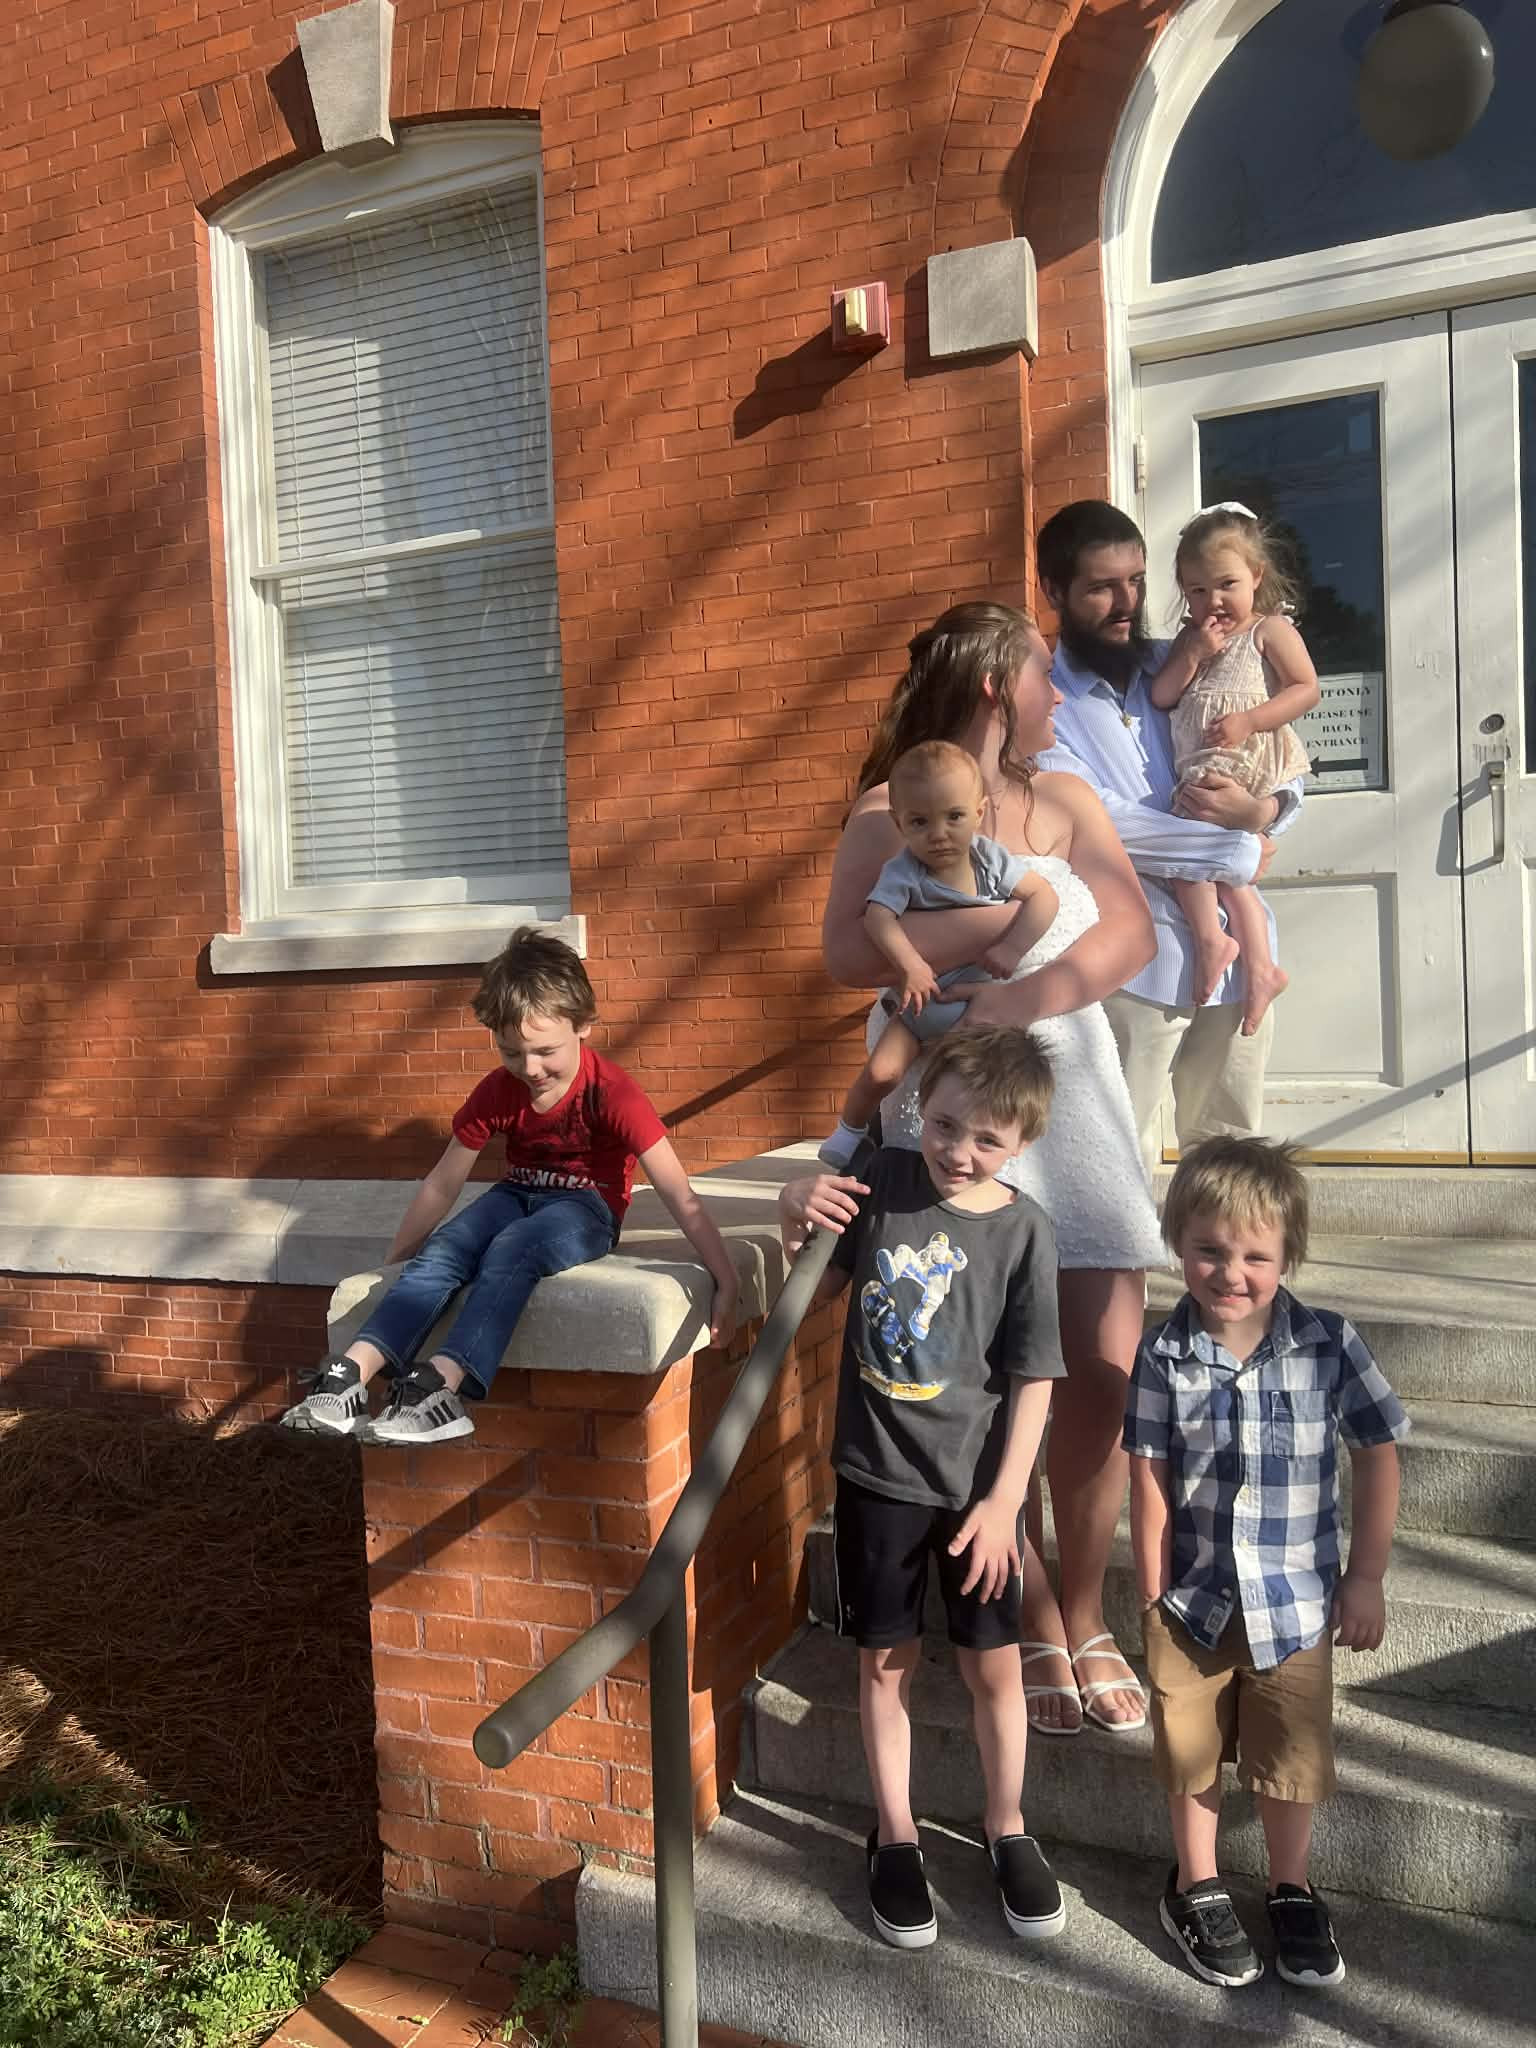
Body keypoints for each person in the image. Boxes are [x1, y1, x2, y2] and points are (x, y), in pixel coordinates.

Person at [817, 600, 1164, 1738]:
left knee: (1101, 1366)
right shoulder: (890, 809)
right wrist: (1000, 928)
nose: (1057, 693)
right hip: (953, 1104)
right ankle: (1025, 1606)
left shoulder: (1063, 797)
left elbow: (1129, 935)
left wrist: (1018, 991)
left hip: (1070, 1097)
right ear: (991, 686)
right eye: (1041, 673)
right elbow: (846, 951)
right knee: (974, 1365)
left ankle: (1084, 1609)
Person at [781, 1029, 1067, 1947]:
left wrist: (1006, 1505)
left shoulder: (1026, 1232)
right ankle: (896, 1833)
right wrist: (793, 1202)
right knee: (883, 1661)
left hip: (978, 1494)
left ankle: (1007, 1824)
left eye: (987, 1139)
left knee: (993, 1665)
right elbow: (814, 1277)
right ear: (919, 1108)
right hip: (878, 1477)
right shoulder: (882, 1180)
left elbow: (1034, 1379)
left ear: (1022, 1141)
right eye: (944, 1125)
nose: (959, 1152)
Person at [1125, 1137, 1408, 1989]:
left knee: (1290, 1757)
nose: (1230, 1272)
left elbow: (1378, 1452)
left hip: (1295, 1605)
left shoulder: (1328, 1344)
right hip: (1192, 1602)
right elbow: (1149, 1476)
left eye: (1254, 1255)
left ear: (1288, 1255)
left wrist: (1366, 1576)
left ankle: (1291, 1887)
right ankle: (1197, 1885)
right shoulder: (1161, 1355)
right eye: (1208, 1250)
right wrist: (1150, 1594)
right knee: (1189, 1751)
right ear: (1179, 1245)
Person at [279, 926, 739, 1445]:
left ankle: (439, 1386)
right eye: (512, 1053)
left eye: (545, 1051)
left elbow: (678, 1192)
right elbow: (442, 1184)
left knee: (514, 1248)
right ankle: (349, 1376)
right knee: (446, 1246)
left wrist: (725, 1280)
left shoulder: (612, 1093)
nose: (530, 1068)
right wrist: (394, 1264)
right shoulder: (500, 1090)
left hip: (586, 1208)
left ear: (584, 1025)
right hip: (516, 1194)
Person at [1035, 500, 1307, 1174]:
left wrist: (1261, 811)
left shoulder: (1193, 661)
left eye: (1135, 581)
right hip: (1132, 968)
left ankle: (1223, 1252)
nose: (1127, 603)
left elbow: (1281, 755)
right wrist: (1235, 848)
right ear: (1053, 591)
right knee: (1112, 1158)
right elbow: (1098, 825)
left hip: (1240, 956)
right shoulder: (1045, 699)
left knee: (1231, 1160)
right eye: (1102, 587)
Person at [819, 740, 1059, 1170]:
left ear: (979, 813)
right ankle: (850, 1130)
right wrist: (910, 965)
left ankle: (976, 1153)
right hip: (919, 1003)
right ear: (899, 823)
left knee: (969, 1092)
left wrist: (1012, 947)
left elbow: (1044, 897)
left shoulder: (990, 861)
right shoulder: (904, 870)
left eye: (954, 817)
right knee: (881, 1073)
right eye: (920, 821)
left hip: (975, 1013)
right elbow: (878, 917)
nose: (939, 834)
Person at [1147, 505, 1320, 1034]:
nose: (1214, 601)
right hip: (1200, 767)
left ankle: (1212, 941)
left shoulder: (1269, 630)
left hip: (1240, 764)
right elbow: (1161, 695)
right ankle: (1260, 967)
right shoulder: (1190, 640)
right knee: (1220, 870)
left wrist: (1250, 720)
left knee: (1188, 855)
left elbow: (1306, 688)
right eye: (1197, 590)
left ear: (1257, 577)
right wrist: (1193, 653)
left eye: (1227, 585)